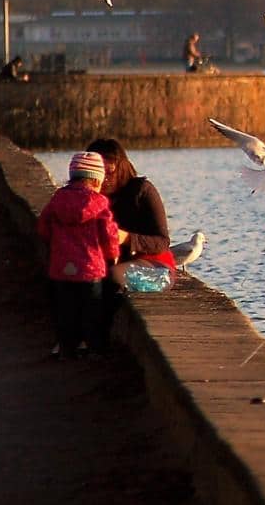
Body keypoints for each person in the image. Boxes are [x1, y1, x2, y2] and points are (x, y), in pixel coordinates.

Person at [36, 150, 119, 359]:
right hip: (91, 268)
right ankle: (94, 348)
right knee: (92, 310)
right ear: (96, 180)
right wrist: (112, 255)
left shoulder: (58, 199)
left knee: (65, 311)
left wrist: (54, 243)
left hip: (61, 267)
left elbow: (43, 227)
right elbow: (108, 234)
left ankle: (66, 348)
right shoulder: (100, 203)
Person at [85, 138, 176, 321]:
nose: (105, 178)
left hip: (156, 268)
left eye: (109, 169)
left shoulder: (142, 191)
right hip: (110, 264)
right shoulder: (90, 198)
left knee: (112, 277)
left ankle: (94, 337)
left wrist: (126, 238)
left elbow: (162, 241)